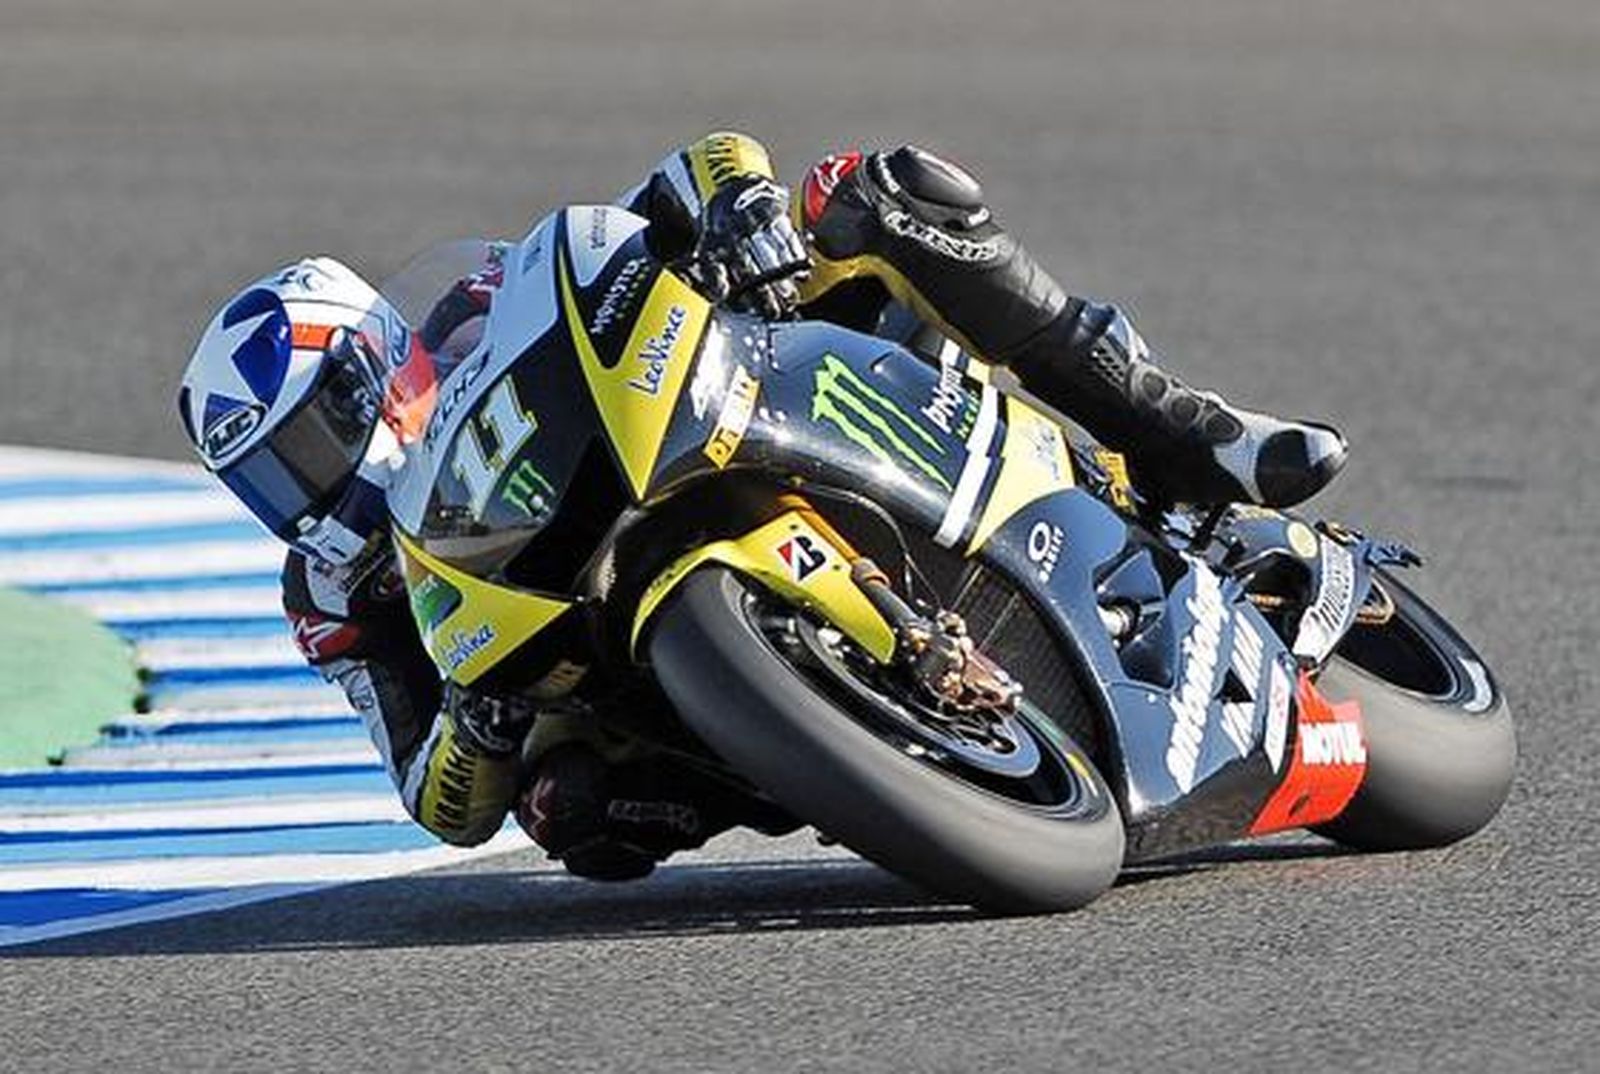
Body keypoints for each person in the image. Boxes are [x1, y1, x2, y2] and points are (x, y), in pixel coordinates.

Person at [177, 132, 1346, 880]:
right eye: (271, 479)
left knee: (864, 194)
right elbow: (435, 806)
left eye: (312, 442)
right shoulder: (331, 589)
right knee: (566, 808)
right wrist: (474, 723)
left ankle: (1189, 430)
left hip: (749, 405)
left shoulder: (483, 301)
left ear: (370, 365)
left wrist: (738, 215)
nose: (311, 488)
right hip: (621, 658)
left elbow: (692, 170)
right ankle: (855, 750)